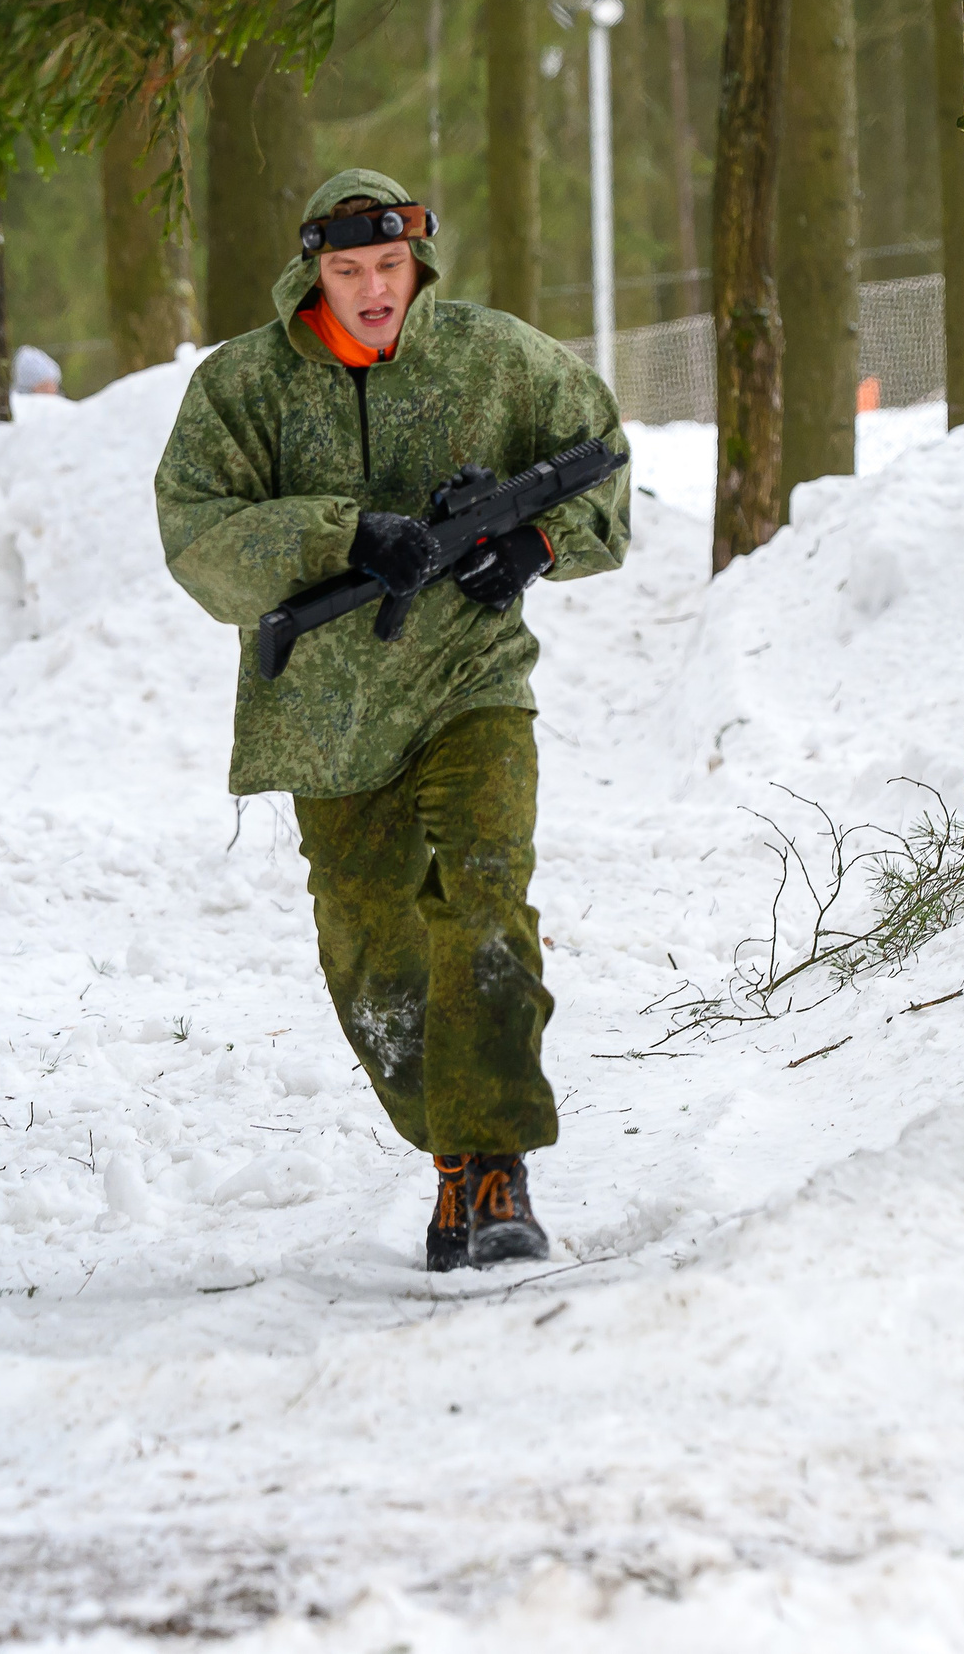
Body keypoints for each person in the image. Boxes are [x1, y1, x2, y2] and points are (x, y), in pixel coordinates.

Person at [154, 168, 629, 1272]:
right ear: (308, 273)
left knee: (484, 899)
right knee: (371, 956)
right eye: (347, 269)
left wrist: (536, 545)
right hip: (327, 720)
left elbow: (597, 455)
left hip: (473, 686)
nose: (374, 290)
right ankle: (452, 1159)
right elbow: (196, 535)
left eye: (389, 266)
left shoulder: (495, 356)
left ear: (421, 262)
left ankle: (497, 1164)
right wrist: (343, 537)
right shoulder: (244, 389)